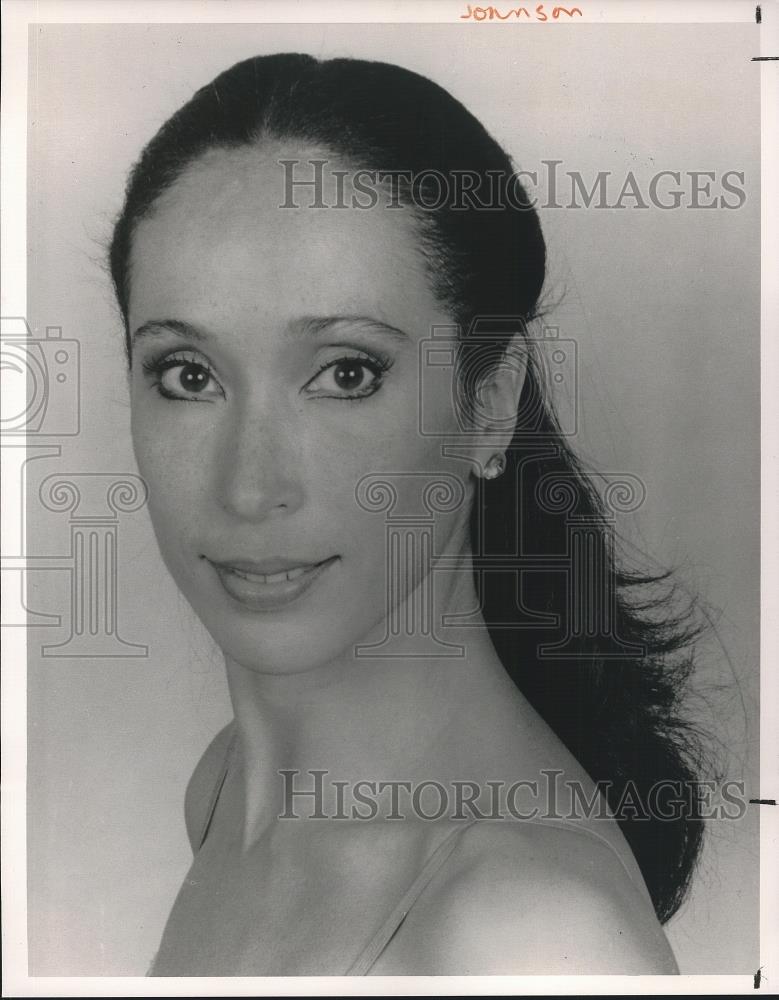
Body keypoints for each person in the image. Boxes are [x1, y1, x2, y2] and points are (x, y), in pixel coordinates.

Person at [109, 53, 706, 976]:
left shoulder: (528, 935)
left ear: (492, 400)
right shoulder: (226, 790)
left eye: (346, 373)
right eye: (189, 376)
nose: (248, 487)